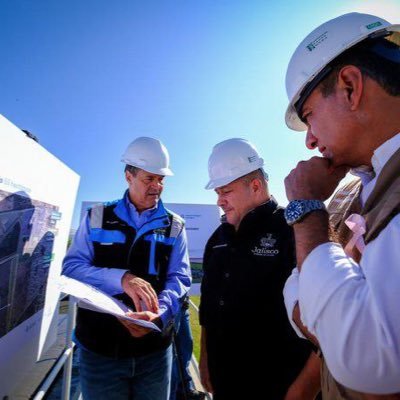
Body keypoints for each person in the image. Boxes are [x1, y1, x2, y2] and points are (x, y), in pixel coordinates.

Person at [282, 12, 400, 397]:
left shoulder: (325, 199)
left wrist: (305, 206)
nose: (310, 142)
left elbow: (367, 359)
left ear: (350, 86)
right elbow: (298, 301)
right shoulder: (352, 190)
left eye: (310, 116)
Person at [62, 136, 191, 400]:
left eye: (161, 179)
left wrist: (161, 314)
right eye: (149, 179)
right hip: (100, 352)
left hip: (154, 353)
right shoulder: (97, 217)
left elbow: (179, 278)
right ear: (128, 176)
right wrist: (121, 279)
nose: (157, 186)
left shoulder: (174, 225)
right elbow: (72, 269)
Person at [199, 138, 321, 400]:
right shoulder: (217, 239)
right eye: (217, 193)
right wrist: (205, 359)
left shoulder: (296, 230)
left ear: (255, 186)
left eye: (225, 191)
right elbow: (209, 309)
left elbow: (327, 321)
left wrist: (304, 390)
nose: (219, 201)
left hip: (279, 386)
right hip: (226, 383)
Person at [170, 295, 206, 400]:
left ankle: (185, 388)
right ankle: (174, 392)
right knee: (172, 353)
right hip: (170, 306)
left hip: (182, 305)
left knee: (186, 345)